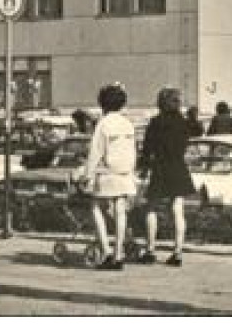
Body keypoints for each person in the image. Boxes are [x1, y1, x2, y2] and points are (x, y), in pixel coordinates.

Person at [80, 82, 137, 271]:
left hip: (107, 173)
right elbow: (133, 150)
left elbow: (95, 152)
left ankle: (105, 250)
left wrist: (87, 175)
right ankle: (118, 254)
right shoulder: (128, 124)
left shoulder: (102, 124)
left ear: (103, 104)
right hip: (125, 173)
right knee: (120, 211)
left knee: (96, 207)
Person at [136, 88, 195, 267]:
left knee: (151, 208)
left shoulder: (155, 123)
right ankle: (177, 252)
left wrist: (143, 167)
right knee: (178, 210)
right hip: (179, 167)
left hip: (160, 168)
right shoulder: (184, 123)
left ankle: (150, 250)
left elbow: (147, 149)